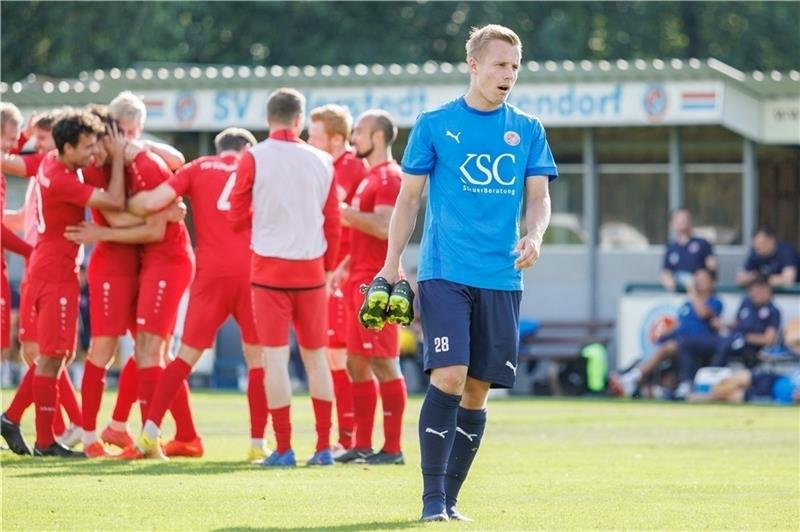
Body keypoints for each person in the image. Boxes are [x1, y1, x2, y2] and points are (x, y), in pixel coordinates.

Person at [374, 25, 557, 521]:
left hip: (502, 276)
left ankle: (450, 501)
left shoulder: (528, 129)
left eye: (515, 67)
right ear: (474, 65)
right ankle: (431, 499)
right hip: (444, 271)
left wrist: (534, 235)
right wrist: (392, 263)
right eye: (499, 65)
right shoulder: (434, 124)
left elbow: (539, 198)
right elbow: (408, 199)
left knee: (477, 389)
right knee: (450, 375)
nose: (508, 76)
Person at [114, 127, 269, 461]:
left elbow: (153, 201)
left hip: (210, 275)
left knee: (183, 357)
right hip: (252, 273)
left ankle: (149, 434)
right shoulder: (257, 167)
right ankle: (258, 446)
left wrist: (121, 201)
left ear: (221, 147)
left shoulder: (198, 167)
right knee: (258, 360)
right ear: (246, 148)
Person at [228, 88, 341, 467]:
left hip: (269, 272)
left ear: (268, 119)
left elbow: (235, 214)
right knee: (317, 361)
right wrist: (326, 269)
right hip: (311, 270)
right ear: (299, 120)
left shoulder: (253, 157)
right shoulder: (323, 160)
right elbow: (334, 223)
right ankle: (324, 447)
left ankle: (284, 448)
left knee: (274, 361)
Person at [11, 109, 127, 457]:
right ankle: (40, 438)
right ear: (67, 147)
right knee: (53, 355)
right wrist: (118, 160)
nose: (93, 152)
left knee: (56, 355)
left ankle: (24, 424)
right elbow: (115, 200)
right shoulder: (63, 178)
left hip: (46, 264)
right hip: (56, 270)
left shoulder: (50, 162)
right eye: (87, 146)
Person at [333, 110, 407, 465]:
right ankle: (363, 444)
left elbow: (381, 226)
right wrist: (343, 268)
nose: (353, 139)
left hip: (378, 283)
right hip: (358, 278)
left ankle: (392, 448)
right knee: (356, 362)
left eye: (359, 132)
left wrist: (342, 210)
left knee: (383, 362)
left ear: (378, 136)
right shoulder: (368, 177)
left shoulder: (390, 177)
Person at [307, 104, 366, 456]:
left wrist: (342, 264)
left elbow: (355, 222)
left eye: (314, 137)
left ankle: (349, 438)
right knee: (331, 357)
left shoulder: (352, 167)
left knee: (342, 357)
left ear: (336, 139)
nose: (308, 142)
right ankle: (344, 438)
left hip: (343, 274)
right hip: (324, 271)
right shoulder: (320, 165)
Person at [610, 268, 723, 399]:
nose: (699, 283)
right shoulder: (687, 304)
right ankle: (633, 379)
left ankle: (631, 378)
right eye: (697, 280)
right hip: (679, 341)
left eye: (703, 280)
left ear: (712, 283)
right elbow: (680, 324)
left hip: (698, 344)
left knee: (670, 347)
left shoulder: (715, 302)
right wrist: (666, 331)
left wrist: (692, 292)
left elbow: (703, 313)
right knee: (658, 349)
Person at [711, 277, 781, 368]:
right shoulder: (747, 303)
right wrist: (722, 325)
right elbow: (736, 324)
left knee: (725, 346)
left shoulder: (773, 312)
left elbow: (768, 339)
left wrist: (745, 337)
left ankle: (714, 373)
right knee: (715, 343)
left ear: (766, 290)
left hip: (751, 347)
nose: (754, 294)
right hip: (734, 339)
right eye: (752, 291)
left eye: (758, 291)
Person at [660, 208, 716, 291]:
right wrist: (668, 281)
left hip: (699, 292)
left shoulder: (702, 243)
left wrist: (704, 275)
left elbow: (712, 265)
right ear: (672, 224)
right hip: (678, 294)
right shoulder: (670, 247)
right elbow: (665, 271)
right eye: (680, 220)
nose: (684, 222)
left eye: (686, 219)